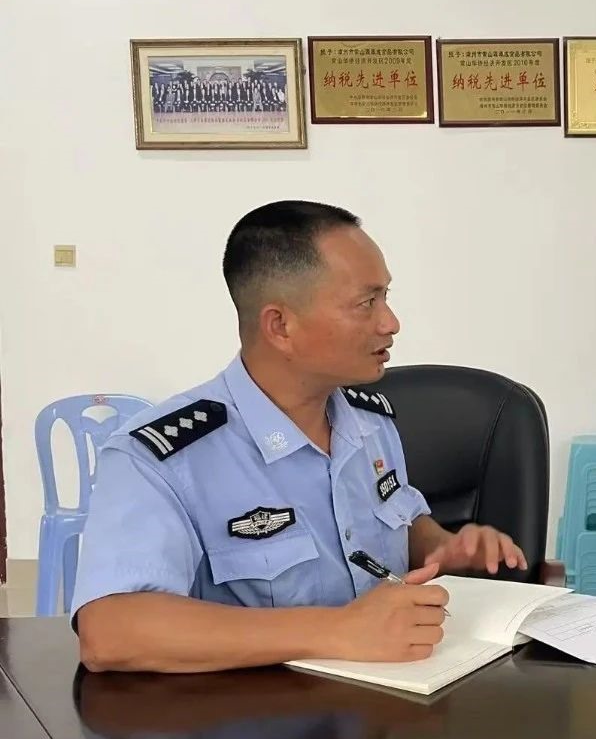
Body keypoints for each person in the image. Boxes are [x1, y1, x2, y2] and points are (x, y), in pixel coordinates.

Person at [72, 200, 527, 673]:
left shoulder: (370, 422)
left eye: (386, 297)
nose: (390, 323)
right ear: (280, 326)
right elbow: (110, 632)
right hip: (250, 712)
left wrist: (442, 548)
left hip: (395, 697)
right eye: (366, 303)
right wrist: (338, 631)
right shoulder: (159, 457)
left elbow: (399, 523)